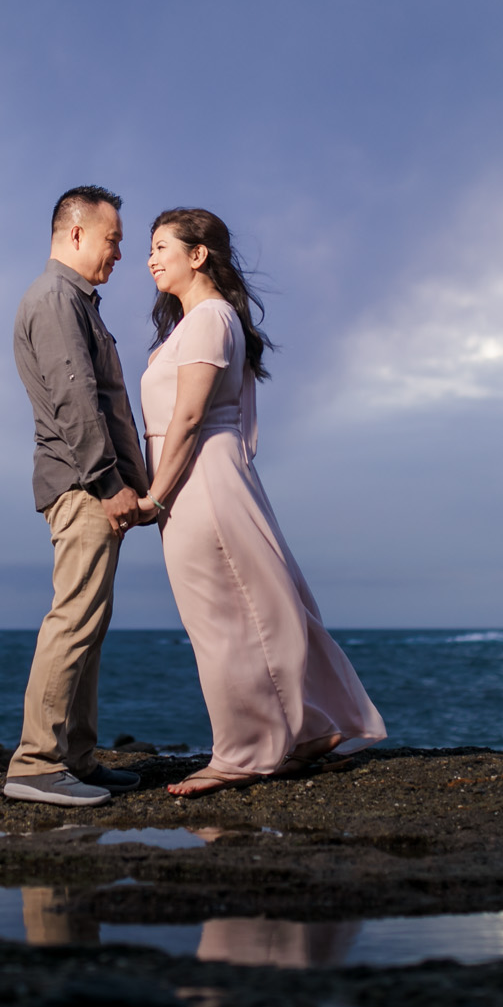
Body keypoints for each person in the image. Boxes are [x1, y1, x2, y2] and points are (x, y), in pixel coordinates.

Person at [138, 208, 385, 795]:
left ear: (198, 255)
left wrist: (154, 496)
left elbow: (191, 416)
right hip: (203, 476)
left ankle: (243, 755)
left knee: (223, 618)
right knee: (249, 608)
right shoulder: (197, 322)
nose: (150, 259)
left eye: (161, 246)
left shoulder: (207, 319)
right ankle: (300, 734)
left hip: (199, 478)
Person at [5, 185, 155, 806]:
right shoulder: (54, 299)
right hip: (81, 483)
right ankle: (37, 764)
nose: (119, 253)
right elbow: (75, 401)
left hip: (91, 483)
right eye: (113, 239)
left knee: (90, 622)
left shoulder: (76, 302)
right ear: (75, 234)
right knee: (73, 619)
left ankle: (77, 758)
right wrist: (111, 484)